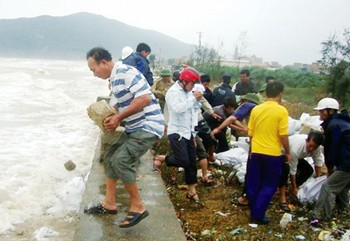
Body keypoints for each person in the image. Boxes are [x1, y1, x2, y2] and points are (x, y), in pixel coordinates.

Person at [84, 47, 164, 228]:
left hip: (148, 126)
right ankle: (109, 203)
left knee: (121, 161)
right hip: (135, 127)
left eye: (93, 69)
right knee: (110, 158)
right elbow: (121, 107)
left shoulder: (124, 72)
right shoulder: (115, 78)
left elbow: (144, 98)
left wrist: (118, 118)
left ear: (104, 62)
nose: (93, 74)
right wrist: (108, 117)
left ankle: (138, 207)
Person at [153, 67, 203, 205]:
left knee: (192, 163)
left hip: (187, 131)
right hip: (176, 132)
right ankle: (163, 158)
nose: (193, 87)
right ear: (184, 81)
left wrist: (196, 100)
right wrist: (193, 98)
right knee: (183, 161)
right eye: (192, 84)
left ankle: (192, 191)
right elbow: (178, 109)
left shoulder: (187, 92)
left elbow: (192, 111)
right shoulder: (173, 92)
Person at [246, 81, 290, 224]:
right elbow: (283, 135)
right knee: (270, 184)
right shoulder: (281, 111)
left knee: (253, 182)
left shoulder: (256, 109)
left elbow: (250, 133)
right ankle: (257, 214)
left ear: (266, 93)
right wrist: (288, 151)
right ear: (280, 94)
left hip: (256, 151)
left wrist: (251, 150)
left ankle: (254, 210)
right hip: (272, 153)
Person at [312, 98, 350, 221]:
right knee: (342, 186)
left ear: (331, 111)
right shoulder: (342, 123)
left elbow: (332, 149)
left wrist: (329, 167)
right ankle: (344, 210)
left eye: (322, 111)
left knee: (328, 187)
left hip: (347, 163)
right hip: (346, 162)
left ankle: (321, 216)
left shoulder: (334, 126)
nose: (320, 114)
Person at [278, 130, 325, 212]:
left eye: (314, 147)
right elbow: (293, 170)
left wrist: (318, 179)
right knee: (284, 172)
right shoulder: (296, 148)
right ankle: (284, 194)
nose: (311, 149)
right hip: (283, 153)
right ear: (306, 141)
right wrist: (294, 187)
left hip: (298, 156)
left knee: (308, 170)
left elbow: (318, 162)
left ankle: (294, 186)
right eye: (310, 146)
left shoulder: (316, 149)